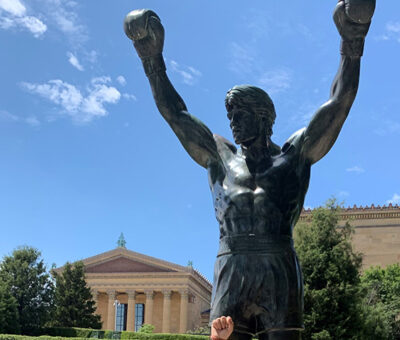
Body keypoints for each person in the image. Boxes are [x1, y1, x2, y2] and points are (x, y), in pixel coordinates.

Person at [124, 1, 374, 339]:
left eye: (240, 113)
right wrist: (151, 59)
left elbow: (339, 103)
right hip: (232, 267)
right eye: (230, 115)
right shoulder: (219, 157)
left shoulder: (294, 156)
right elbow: (176, 114)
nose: (233, 122)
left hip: (279, 268)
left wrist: (352, 42)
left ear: (263, 116)